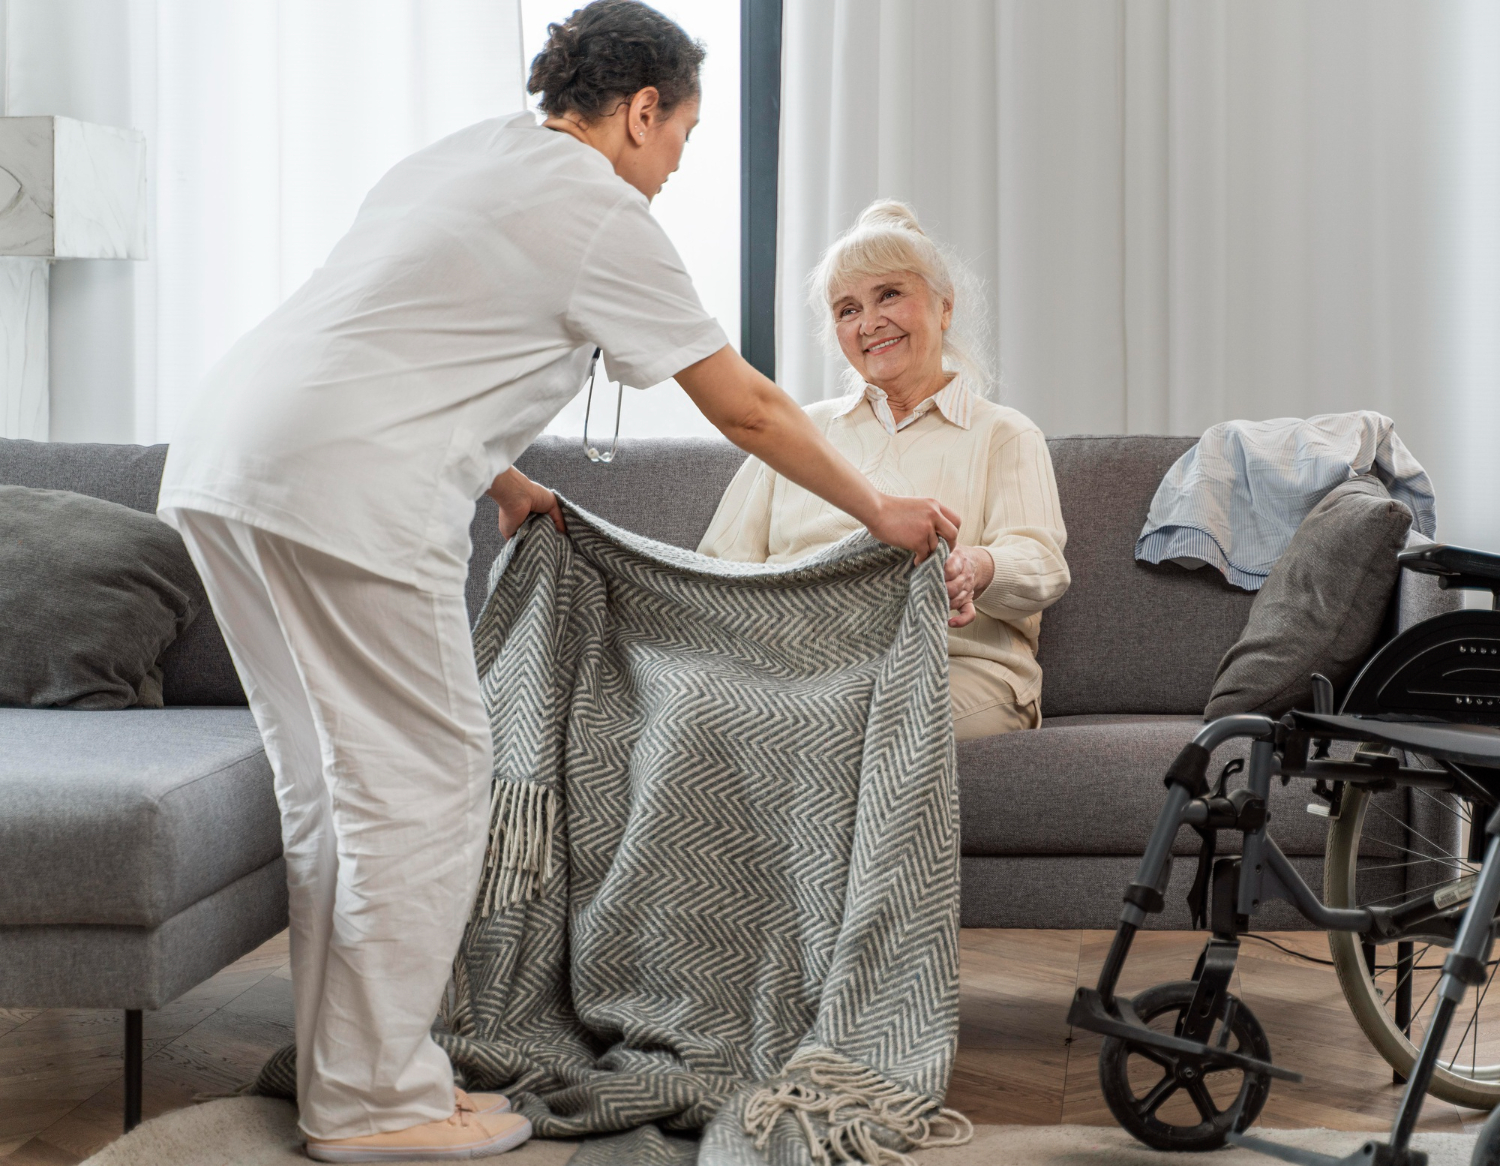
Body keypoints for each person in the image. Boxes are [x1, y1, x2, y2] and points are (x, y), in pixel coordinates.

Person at [155, 4, 960, 1162]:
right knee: (428, 790)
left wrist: (502, 472)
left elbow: (404, 334)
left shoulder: (468, 156)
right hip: (350, 498)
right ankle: (378, 1101)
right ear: (641, 111)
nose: (677, 166)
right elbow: (745, 403)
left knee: (332, 791)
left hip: (231, 464)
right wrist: (881, 507)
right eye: (682, 137)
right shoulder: (598, 210)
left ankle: (361, 1083)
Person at [699, 201, 1070, 741]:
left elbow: (1042, 564)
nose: (869, 323)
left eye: (889, 294)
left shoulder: (1004, 434)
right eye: (847, 310)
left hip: (952, 666)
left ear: (944, 307)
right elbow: (719, 568)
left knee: (840, 720)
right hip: (804, 669)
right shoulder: (798, 432)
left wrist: (975, 567)